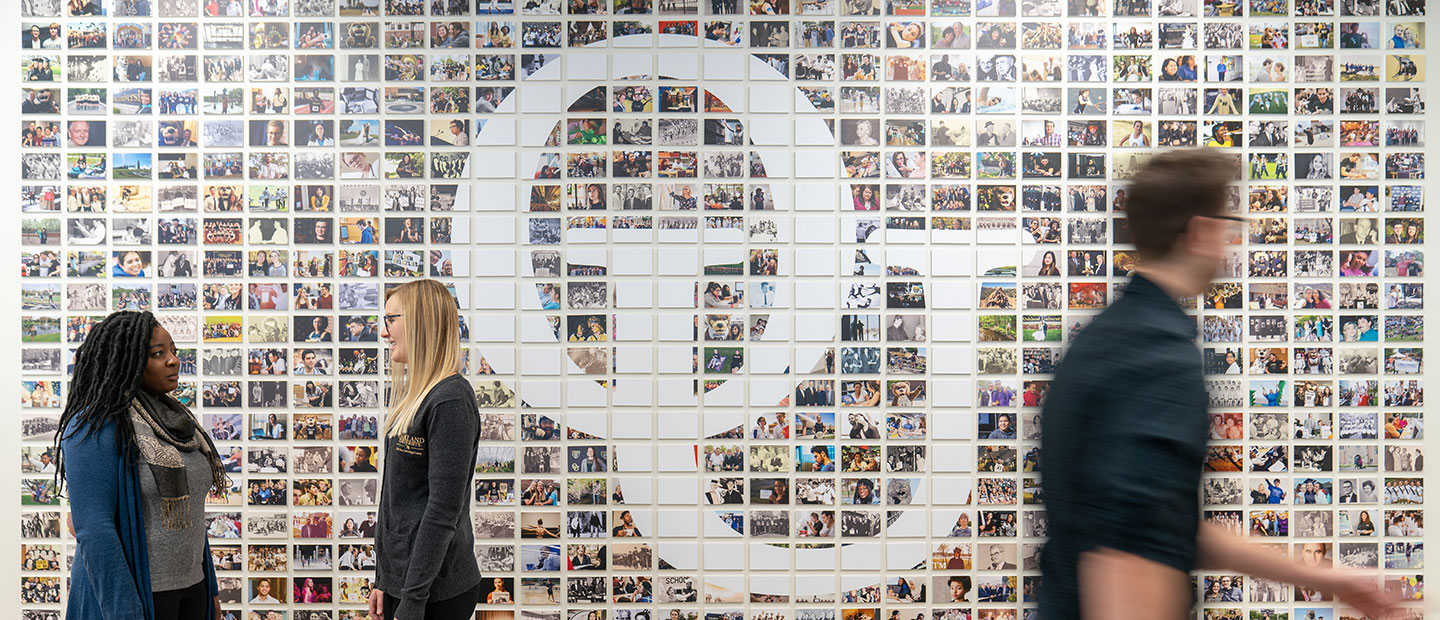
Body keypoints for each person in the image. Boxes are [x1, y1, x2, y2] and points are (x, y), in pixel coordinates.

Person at [1038, 150, 1398, 620]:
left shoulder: (1104, 341)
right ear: (1200, 231)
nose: (1231, 242)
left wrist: (1321, 577)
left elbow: (1164, 528)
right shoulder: (1159, 359)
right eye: (1228, 225)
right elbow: (1127, 560)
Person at [54, 311, 228, 620]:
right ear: (127, 361)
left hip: (192, 589)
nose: (173, 361)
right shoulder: (94, 426)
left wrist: (211, 589)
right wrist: (125, 613)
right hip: (137, 597)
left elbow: (192, 519)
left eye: (173, 351)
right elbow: (94, 529)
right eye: (158, 354)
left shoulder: (177, 420)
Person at [370, 280, 484, 620]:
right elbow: (398, 500)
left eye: (391, 320)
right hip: (404, 585)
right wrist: (384, 580)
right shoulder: (418, 396)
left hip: (434, 593)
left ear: (419, 322)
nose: (383, 331)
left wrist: (413, 599)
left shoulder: (449, 399)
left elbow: (442, 510)